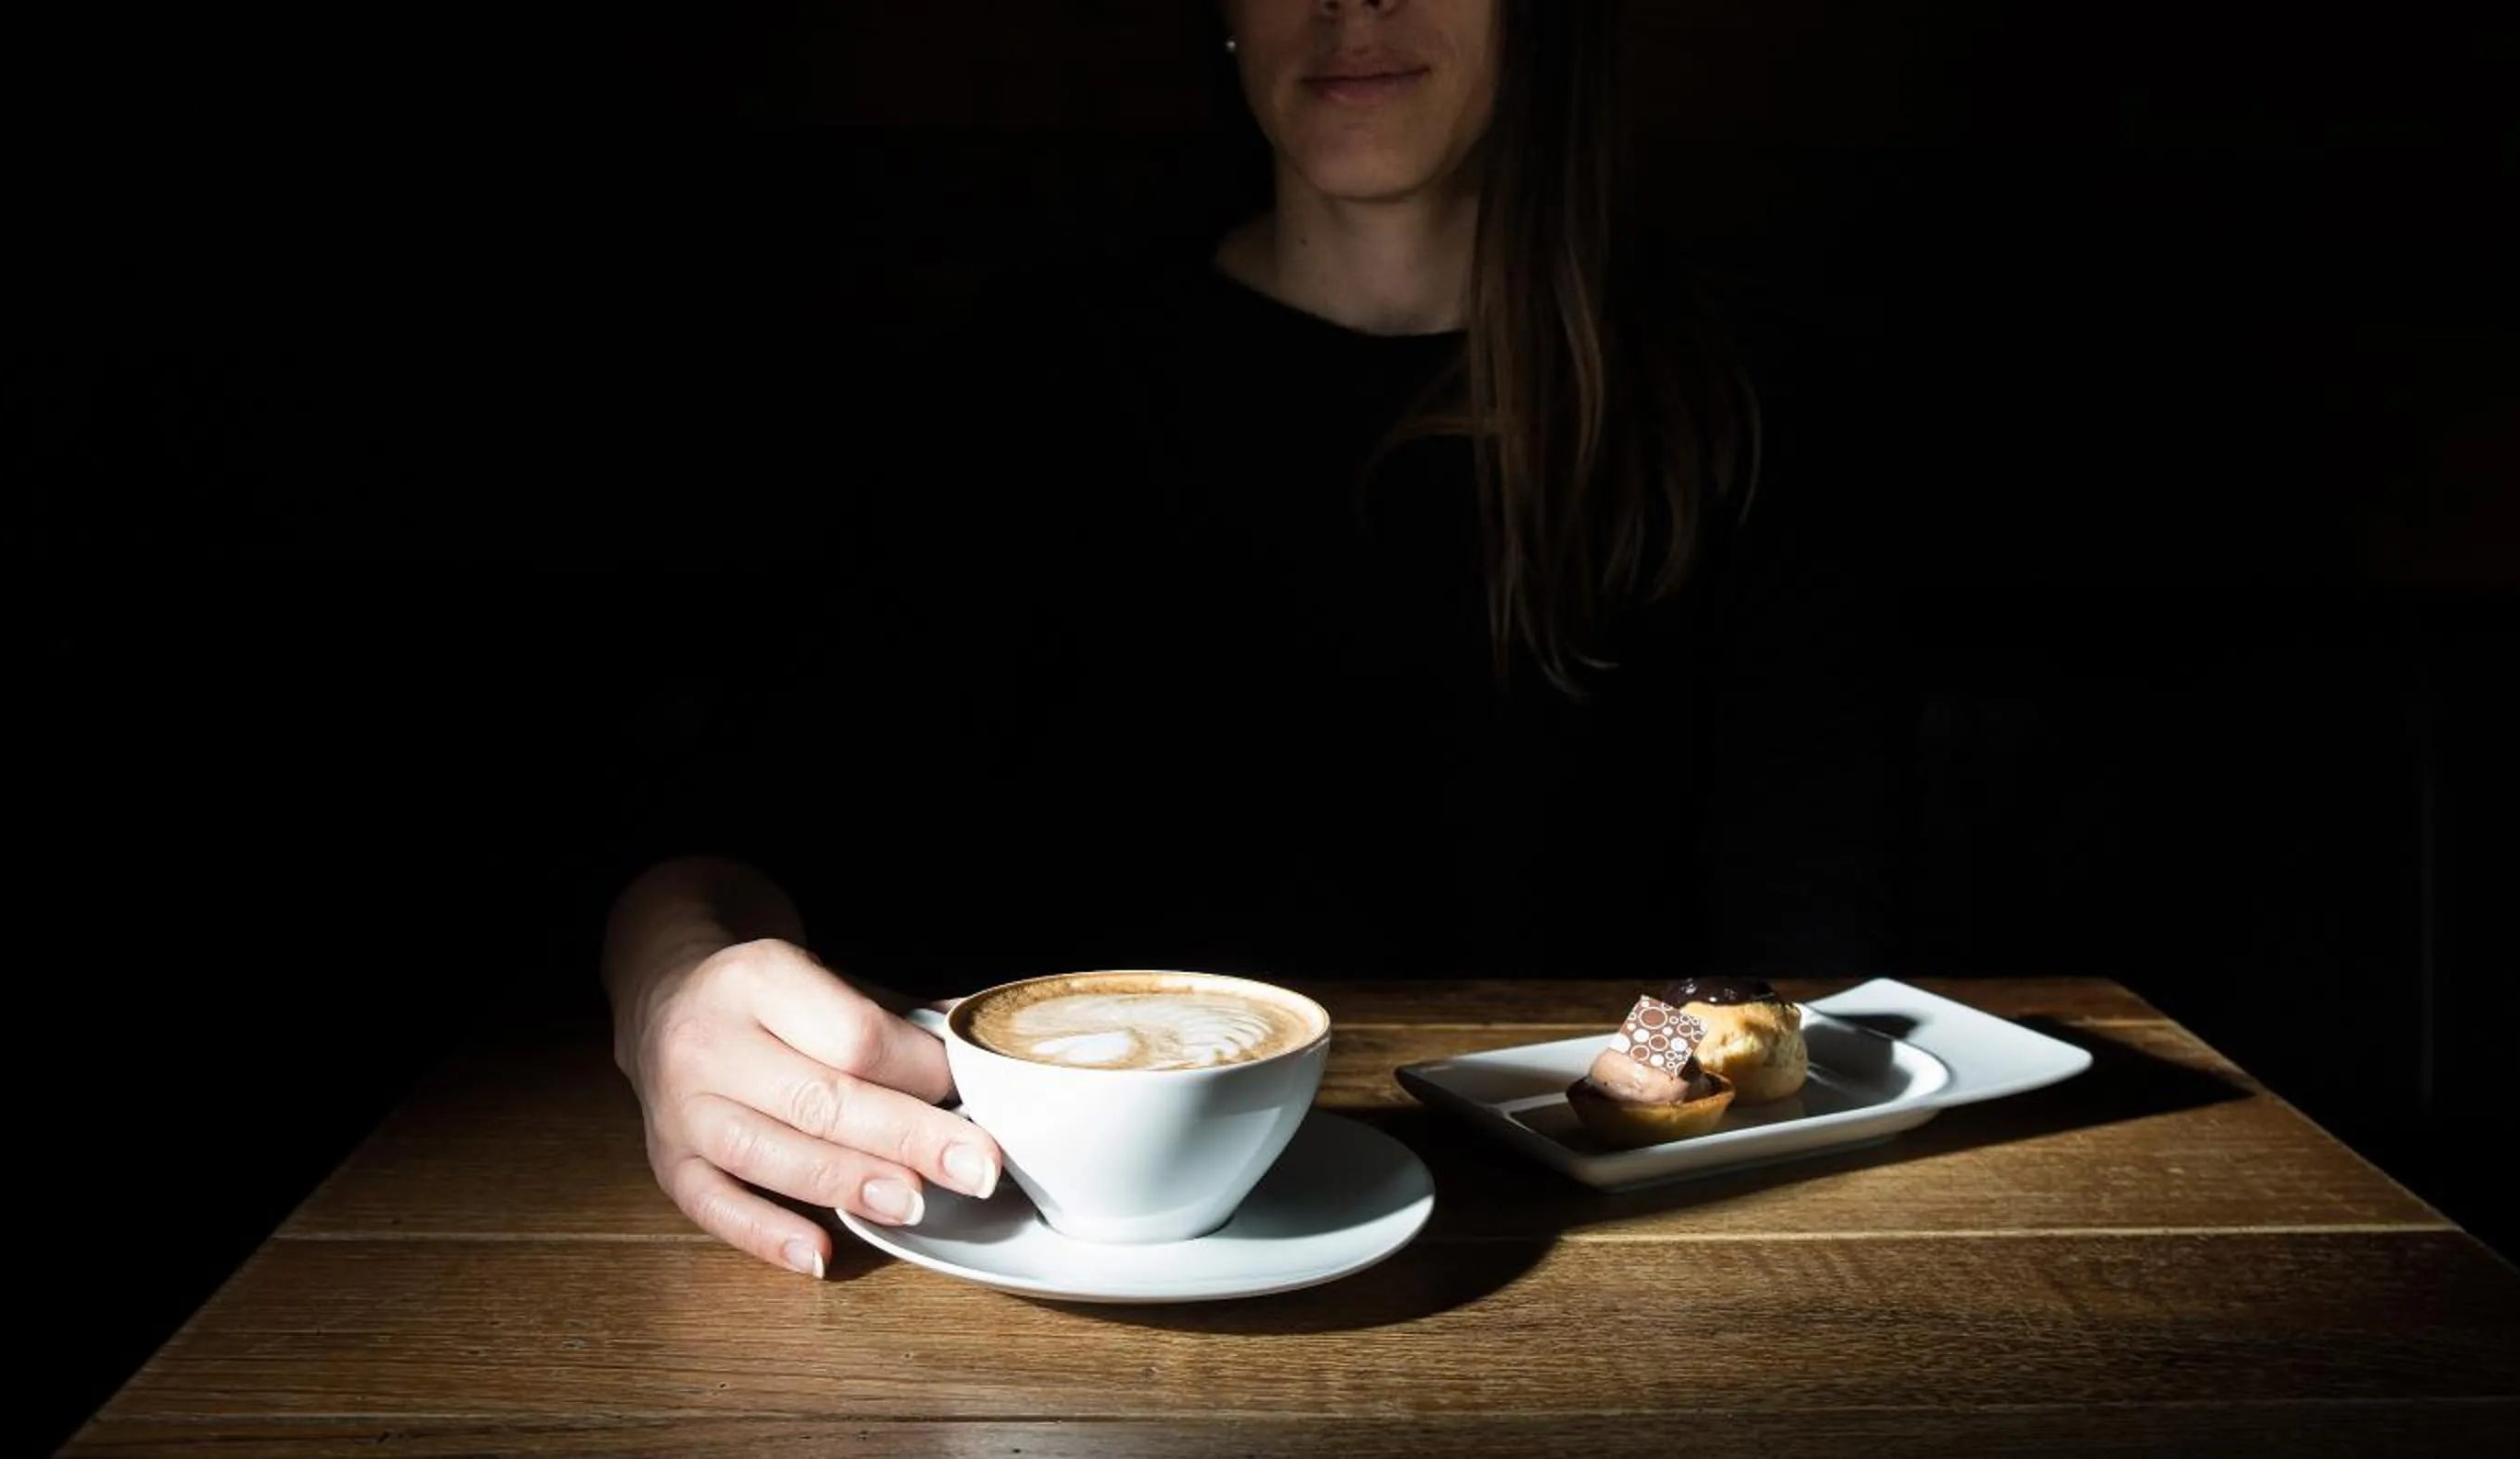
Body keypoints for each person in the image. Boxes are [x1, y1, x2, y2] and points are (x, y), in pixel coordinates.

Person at [599, 0, 1904, 1280]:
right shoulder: (1040, 384)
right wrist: (668, 994)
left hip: (1621, 1264)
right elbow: (749, 824)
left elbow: (1817, 959)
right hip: (1048, 1269)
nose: (1353, 4)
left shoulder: (1738, 405)